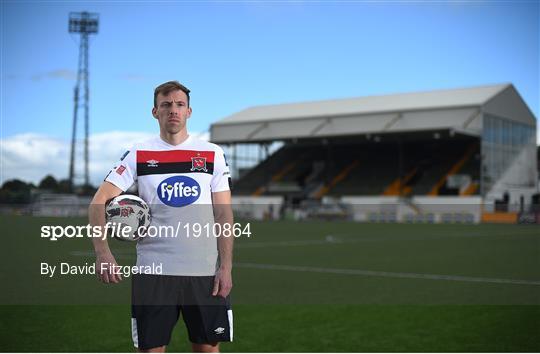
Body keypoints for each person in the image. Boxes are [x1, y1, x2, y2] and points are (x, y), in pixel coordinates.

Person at [89, 81, 234, 353]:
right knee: (151, 350)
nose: (173, 111)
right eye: (166, 105)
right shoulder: (138, 154)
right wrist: (103, 253)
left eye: (179, 105)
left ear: (189, 111)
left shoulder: (212, 154)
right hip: (153, 272)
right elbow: (99, 202)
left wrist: (225, 267)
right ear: (155, 112)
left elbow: (224, 213)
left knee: (208, 349)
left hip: (204, 273)